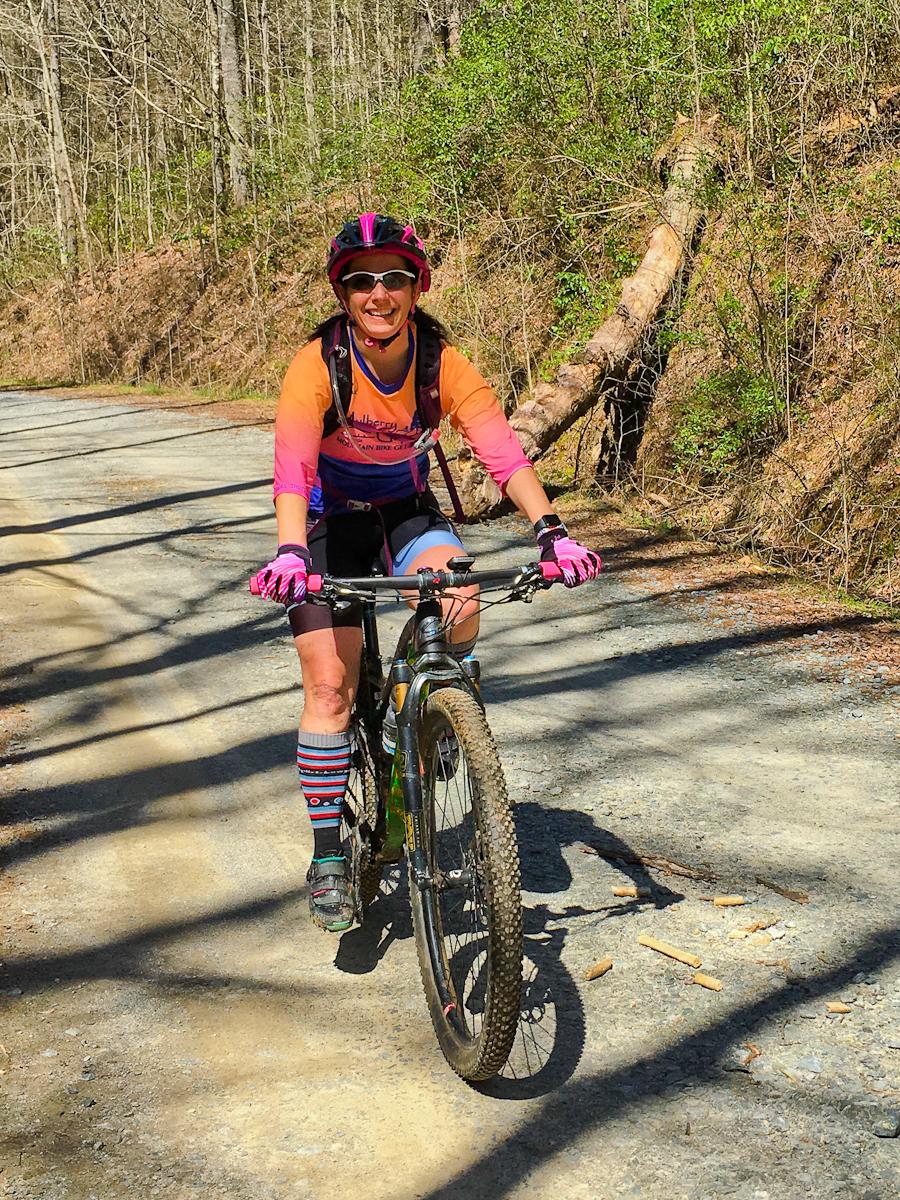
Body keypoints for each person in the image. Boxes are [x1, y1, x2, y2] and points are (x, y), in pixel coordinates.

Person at [253, 212, 601, 932]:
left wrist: (553, 532)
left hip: (405, 509)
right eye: (361, 280)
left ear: (417, 287)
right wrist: (290, 550)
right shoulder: (317, 364)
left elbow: (503, 453)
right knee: (328, 686)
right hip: (329, 524)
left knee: (463, 601)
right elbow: (293, 467)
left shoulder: (443, 362)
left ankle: (412, 714)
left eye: (394, 278)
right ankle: (327, 861)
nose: (378, 292)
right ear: (342, 293)